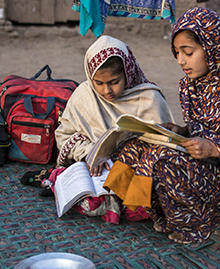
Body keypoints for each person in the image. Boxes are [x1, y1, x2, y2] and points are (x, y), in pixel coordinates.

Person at [107, 7, 220, 243]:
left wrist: (213, 148)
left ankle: (198, 226)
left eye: (188, 52)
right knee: (133, 146)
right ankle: (129, 206)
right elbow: (200, 127)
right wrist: (181, 131)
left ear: (212, 48)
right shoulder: (190, 86)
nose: (181, 61)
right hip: (203, 170)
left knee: (162, 161)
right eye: (176, 53)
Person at [21, 35, 174, 223]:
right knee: (91, 195)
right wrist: (90, 152)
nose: (106, 90)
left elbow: (166, 146)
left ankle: (55, 182)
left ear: (128, 72)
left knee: (139, 204)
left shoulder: (149, 99)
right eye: (99, 83)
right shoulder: (84, 95)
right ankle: (63, 184)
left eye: (114, 82)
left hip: (134, 172)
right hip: (94, 170)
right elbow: (63, 135)